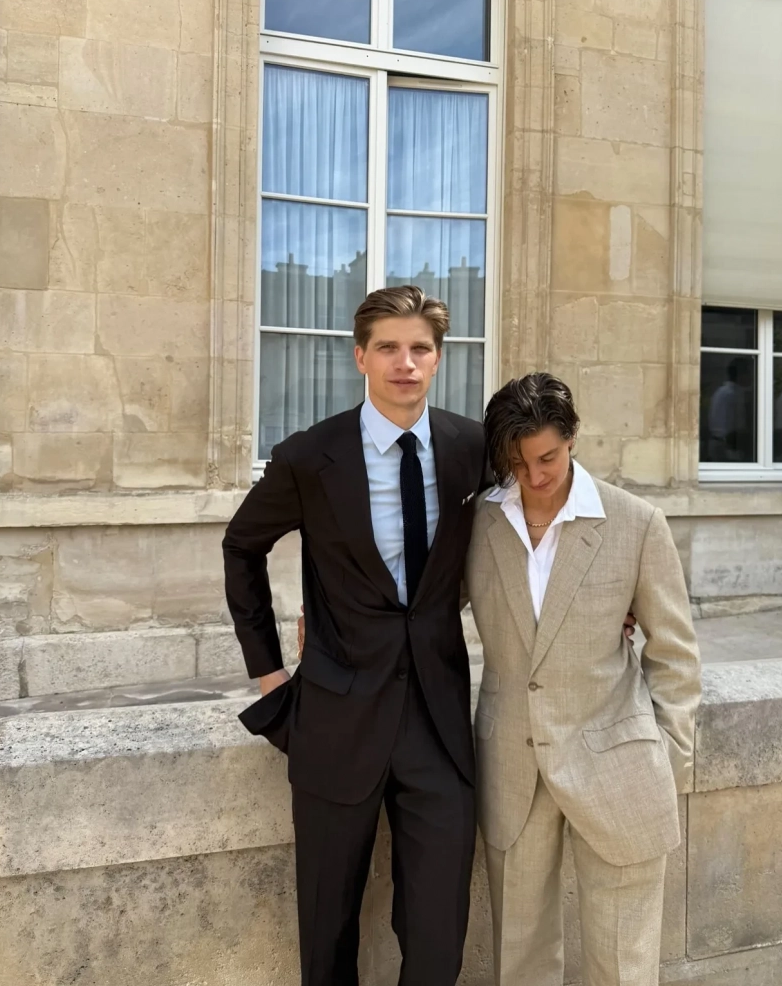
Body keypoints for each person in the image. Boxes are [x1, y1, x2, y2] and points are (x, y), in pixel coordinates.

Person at [222, 286, 491, 986]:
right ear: (361, 357)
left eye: (420, 349)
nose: (406, 363)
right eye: (389, 348)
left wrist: (617, 606)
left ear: (439, 359)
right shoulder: (311, 456)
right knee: (328, 930)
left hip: (437, 723)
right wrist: (269, 674)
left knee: (438, 936)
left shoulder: (471, 447)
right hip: (335, 718)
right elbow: (242, 546)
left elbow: (536, 518)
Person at [466, 372, 701, 986]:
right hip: (512, 766)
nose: (533, 475)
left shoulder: (637, 523)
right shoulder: (479, 524)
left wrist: (669, 758)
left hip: (620, 765)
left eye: (546, 457)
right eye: (517, 463)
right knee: (519, 961)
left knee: (622, 965)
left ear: (572, 437)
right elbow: (423, 611)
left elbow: (675, 654)